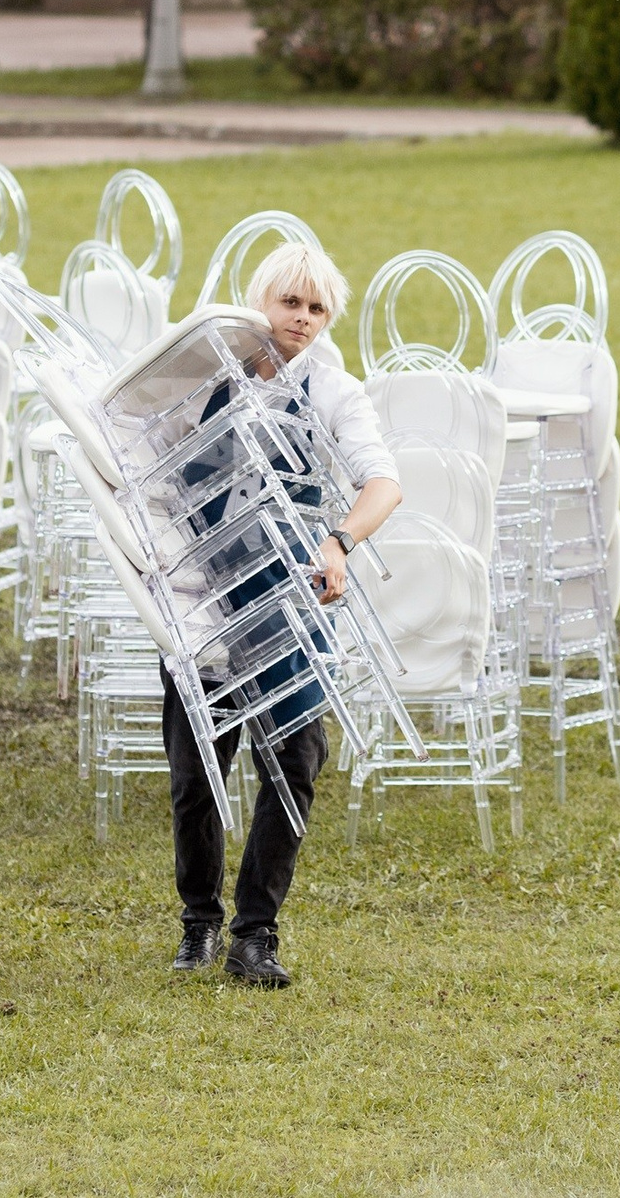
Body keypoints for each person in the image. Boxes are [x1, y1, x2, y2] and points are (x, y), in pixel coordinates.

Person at [166, 241, 401, 988]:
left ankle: (255, 933)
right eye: (289, 302)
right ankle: (198, 920)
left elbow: (383, 484)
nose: (301, 319)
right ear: (259, 301)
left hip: (291, 594)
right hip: (197, 597)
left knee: (296, 760)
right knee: (199, 767)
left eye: (316, 307)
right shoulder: (204, 375)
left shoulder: (335, 391)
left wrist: (339, 540)